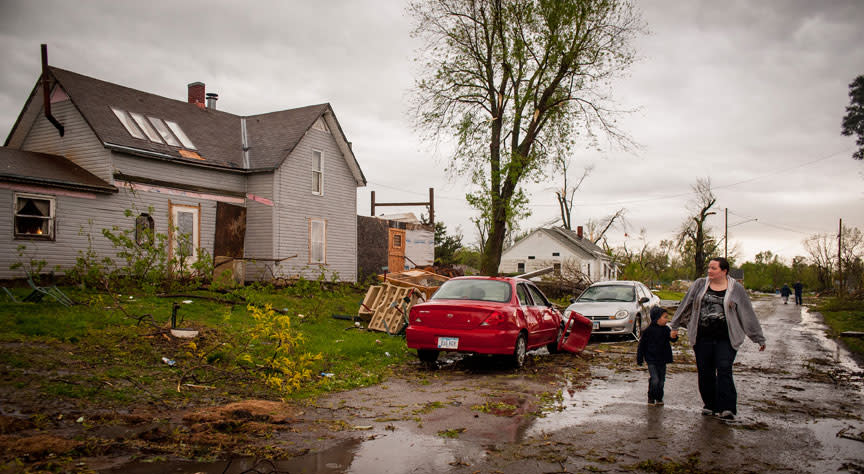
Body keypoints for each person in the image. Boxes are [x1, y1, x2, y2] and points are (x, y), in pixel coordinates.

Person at [669, 257, 766, 420]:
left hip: (726, 338)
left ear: (724, 271)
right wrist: (674, 326)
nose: (709, 271)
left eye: (713, 268)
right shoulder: (700, 284)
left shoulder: (736, 289)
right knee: (705, 371)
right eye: (709, 268)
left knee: (724, 369)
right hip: (702, 337)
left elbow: (747, 314)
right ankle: (710, 404)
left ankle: (727, 408)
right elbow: (685, 304)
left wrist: (758, 337)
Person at [637, 306, 678, 406]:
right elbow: (642, 346)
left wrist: (674, 336)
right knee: (655, 379)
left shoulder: (666, 329)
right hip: (651, 359)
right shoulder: (648, 331)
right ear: (657, 318)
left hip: (662, 359)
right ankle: (651, 396)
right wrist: (640, 358)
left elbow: (672, 339)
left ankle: (659, 397)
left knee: (661, 380)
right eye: (664, 317)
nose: (666, 319)